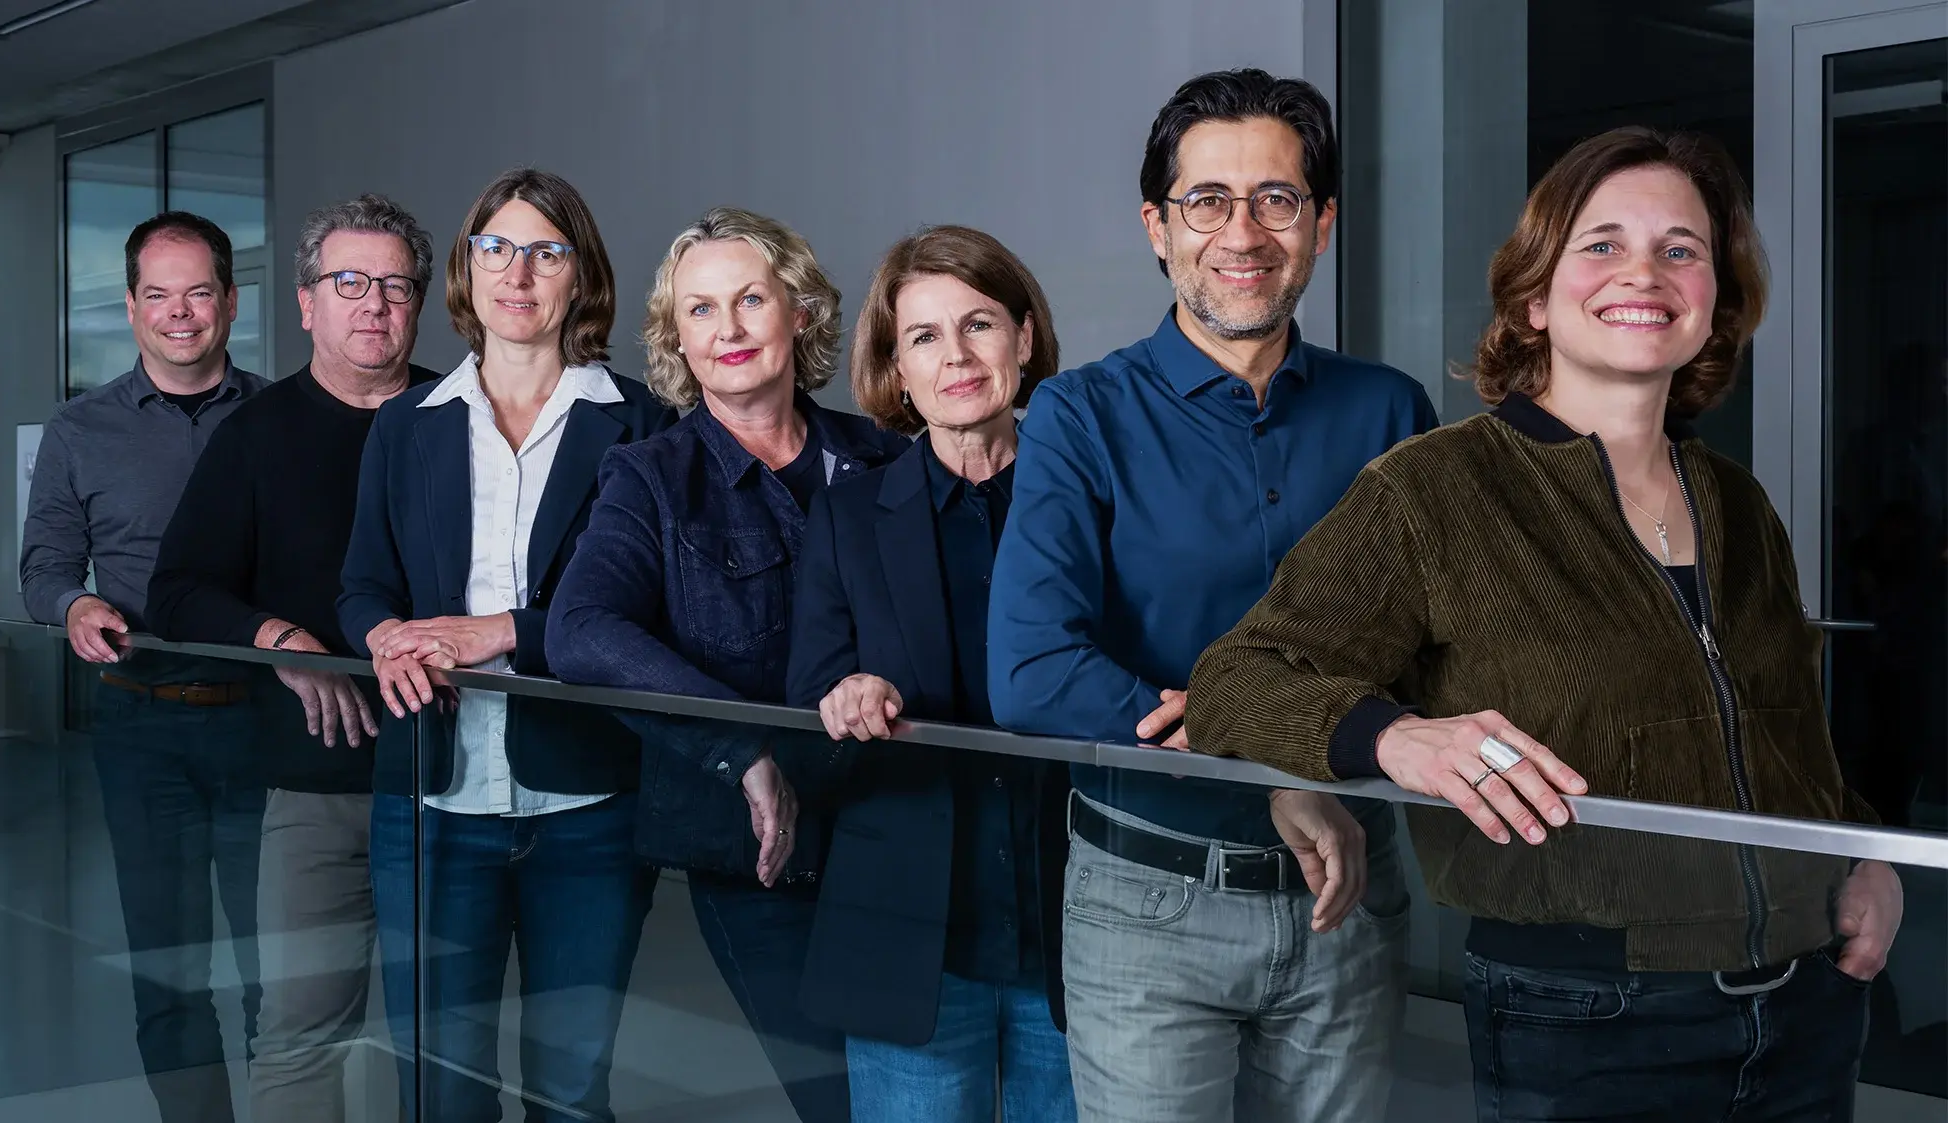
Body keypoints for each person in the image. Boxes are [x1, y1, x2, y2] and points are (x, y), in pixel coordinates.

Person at [1184, 126, 1906, 1122]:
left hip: (1806, 1003)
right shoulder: (1432, 489)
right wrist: (1394, 735)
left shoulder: (1734, 501)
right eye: (1600, 243)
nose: (1643, 272)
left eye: (1680, 248)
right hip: (1585, 1014)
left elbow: (1781, 733)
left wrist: (1858, 851)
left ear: (1712, 305)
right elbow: (1238, 678)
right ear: (1532, 298)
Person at [985, 69, 1437, 1123]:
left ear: (1320, 224)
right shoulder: (1077, 414)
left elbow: (1434, 652)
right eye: (1206, 201)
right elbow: (1033, 672)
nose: (1242, 231)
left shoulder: (1389, 410)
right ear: (1156, 226)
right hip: (1148, 899)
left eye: (1276, 199)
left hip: (1350, 900)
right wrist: (1275, 764)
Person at [547, 206, 907, 1123]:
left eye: (751, 299)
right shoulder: (651, 475)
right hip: (757, 853)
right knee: (846, 1103)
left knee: (927, 1095)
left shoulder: (884, 459)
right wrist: (741, 744)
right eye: (701, 311)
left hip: (900, 833)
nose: (731, 329)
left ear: (801, 313)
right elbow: (580, 629)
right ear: (678, 338)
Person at [335, 169, 674, 1123]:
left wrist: (507, 634)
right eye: (496, 248)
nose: (517, 273)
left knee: (571, 1088)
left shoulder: (641, 427)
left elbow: (656, 610)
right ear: (466, 269)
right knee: (441, 1086)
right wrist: (383, 635)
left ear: (582, 277)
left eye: (546, 251)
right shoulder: (409, 424)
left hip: (591, 806)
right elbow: (362, 581)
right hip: (431, 793)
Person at [145, 194, 438, 1122]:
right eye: (349, 282)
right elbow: (179, 588)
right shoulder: (257, 433)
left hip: (455, 783)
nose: (373, 305)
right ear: (305, 303)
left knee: (449, 1042)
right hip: (315, 791)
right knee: (304, 1032)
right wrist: (283, 640)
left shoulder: (464, 420)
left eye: (395, 285)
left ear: (419, 304)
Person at [785, 226, 1073, 1123]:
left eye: (979, 324)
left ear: (1024, 342)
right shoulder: (847, 517)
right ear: (896, 370)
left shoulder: (1088, 499)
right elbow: (805, 741)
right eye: (924, 336)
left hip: (1078, 934)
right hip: (909, 941)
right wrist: (842, 702)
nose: (956, 356)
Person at [19, 212, 267, 1123]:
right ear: (130, 308)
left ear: (231, 302)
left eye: (199, 291)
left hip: (269, 723)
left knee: (280, 969)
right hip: (142, 727)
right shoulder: (80, 429)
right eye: (158, 295)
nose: (181, 313)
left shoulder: (279, 416)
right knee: (168, 969)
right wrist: (73, 605)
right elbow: (44, 565)